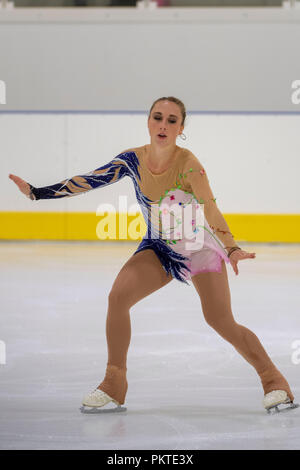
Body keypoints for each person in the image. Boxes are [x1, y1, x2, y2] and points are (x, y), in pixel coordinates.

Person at [9, 96, 296, 414]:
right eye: (158, 117)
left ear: (181, 129)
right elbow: (90, 180)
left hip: (197, 247)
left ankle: (274, 382)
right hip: (158, 247)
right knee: (118, 297)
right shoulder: (131, 160)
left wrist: (231, 247)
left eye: (172, 120)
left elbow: (209, 207)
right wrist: (38, 192)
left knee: (220, 320)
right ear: (148, 122)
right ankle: (113, 384)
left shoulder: (189, 164)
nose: (163, 124)